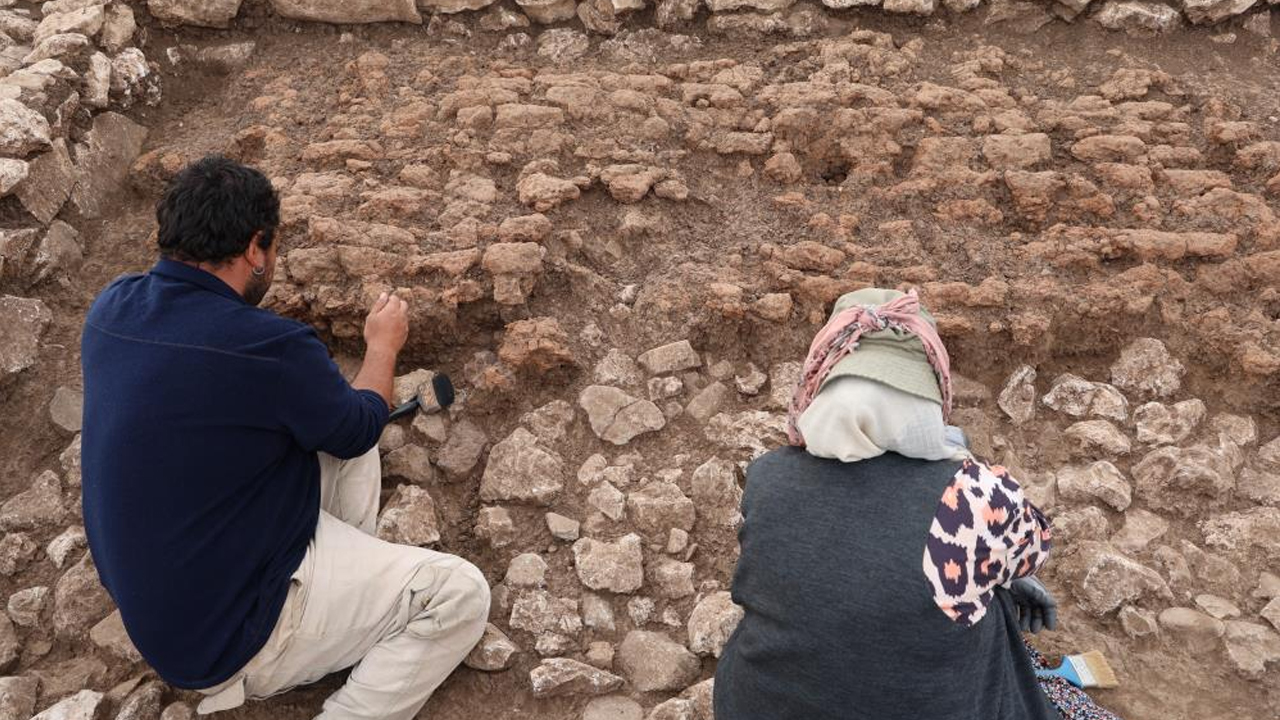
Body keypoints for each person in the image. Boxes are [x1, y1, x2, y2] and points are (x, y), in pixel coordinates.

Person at [80, 155, 490, 720]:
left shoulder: (111, 307)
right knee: (459, 593)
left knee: (327, 429)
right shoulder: (269, 347)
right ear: (255, 247)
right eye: (273, 247)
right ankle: (335, 656)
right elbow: (360, 425)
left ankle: (346, 604)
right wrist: (382, 348)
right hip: (231, 641)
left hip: (167, 615)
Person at [714, 288, 1121, 720]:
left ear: (821, 382)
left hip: (753, 707)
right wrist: (998, 570)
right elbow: (1031, 549)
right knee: (988, 599)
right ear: (930, 395)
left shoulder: (768, 476)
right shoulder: (975, 492)